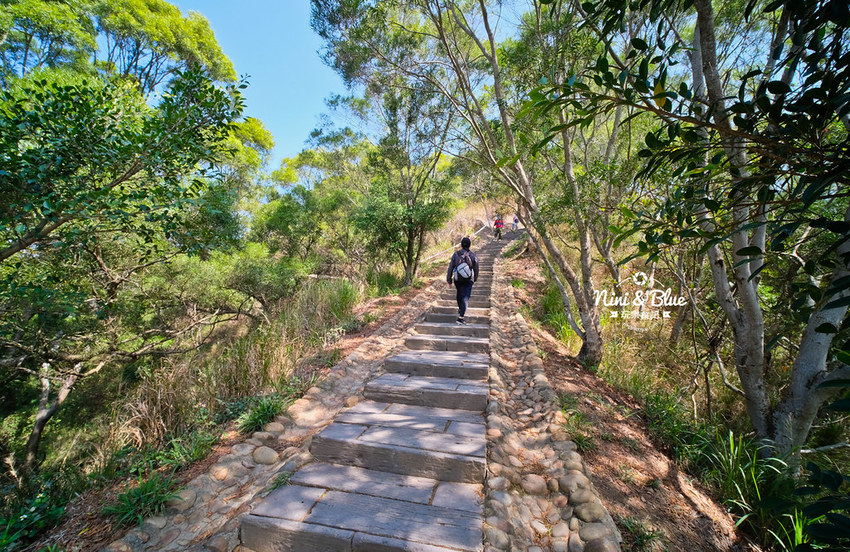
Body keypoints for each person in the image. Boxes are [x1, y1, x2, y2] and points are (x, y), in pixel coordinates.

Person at [446, 236, 479, 325]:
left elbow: (451, 267)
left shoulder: (456, 254)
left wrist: (449, 279)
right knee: (465, 297)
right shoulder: (473, 255)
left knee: (460, 294)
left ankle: (461, 309)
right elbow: (476, 268)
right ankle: (461, 318)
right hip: (469, 279)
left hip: (458, 279)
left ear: (461, 245)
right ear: (470, 245)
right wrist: (475, 278)